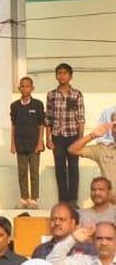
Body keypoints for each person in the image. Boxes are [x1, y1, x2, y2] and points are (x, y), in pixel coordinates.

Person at [47, 62, 86, 205]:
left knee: (74, 167)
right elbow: (48, 119)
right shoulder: (51, 95)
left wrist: (80, 139)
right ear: (56, 76)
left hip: (73, 136)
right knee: (60, 168)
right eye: (59, 73)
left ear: (70, 76)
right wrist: (48, 138)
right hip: (57, 136)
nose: (62, 76)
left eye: (65, 73)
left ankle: (73, 200)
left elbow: (81, 118)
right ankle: (63, 200)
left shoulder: (77, 94)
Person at [10, 76, 46, 209]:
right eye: (22, 86)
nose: (25, 88)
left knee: (34, 172)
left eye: (27, 86)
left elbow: (41, 124)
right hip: (20, 144)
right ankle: (24, 198)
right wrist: (13, 144)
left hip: (34, 144)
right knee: (22, 172)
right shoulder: (15, 106)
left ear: (32, 88)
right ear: (19, 88)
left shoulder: (37, 104)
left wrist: (40, 142)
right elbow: (13, 125)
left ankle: (34, 198)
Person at [30, 203, 98, 261]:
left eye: (62, 220)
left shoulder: (88, 249)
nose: (56, 223)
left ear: (73, 223)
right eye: (53, 219)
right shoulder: (40, 250)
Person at [69, 111, 116, 184]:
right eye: (115, 126)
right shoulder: (103, 150)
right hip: (109, 195)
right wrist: (92, 135)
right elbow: (72, 150)